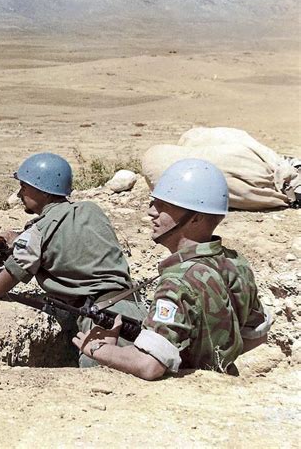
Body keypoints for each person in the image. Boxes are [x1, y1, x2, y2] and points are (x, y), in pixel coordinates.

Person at [0, 152, 146, 366]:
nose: (19, 194)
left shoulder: (36, 235)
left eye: (24, 187)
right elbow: (69, 238)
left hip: (102, 325)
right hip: (137, 314)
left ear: (43, 191)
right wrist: (22, 238)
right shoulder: (91, 209)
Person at [73, 158, 273, 379]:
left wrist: (100, 350)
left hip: (185, 397)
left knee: (90, 361)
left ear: (195, 218)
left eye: (163, 206)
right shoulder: (236, 263)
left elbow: (150, 366)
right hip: (223, 380)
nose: (151, 212)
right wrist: (211, 360)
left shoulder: (177, 281)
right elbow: (256, 334)